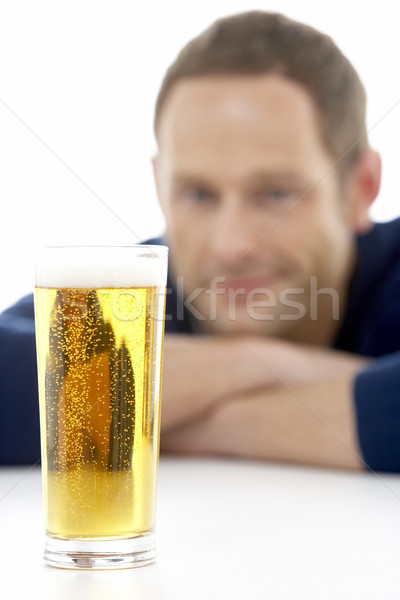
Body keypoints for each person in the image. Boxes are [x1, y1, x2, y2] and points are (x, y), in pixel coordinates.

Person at [1, 11, 399, 470]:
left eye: (275, 194)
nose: (231, 246)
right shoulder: (139, 290)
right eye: (197, 194)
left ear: (362, 187)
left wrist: (161, 420)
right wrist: (258, 363)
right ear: (159, 189)